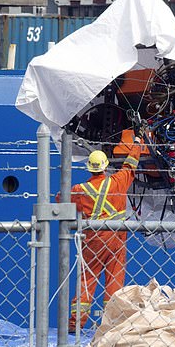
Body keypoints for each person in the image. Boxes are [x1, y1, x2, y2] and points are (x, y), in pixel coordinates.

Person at [66, 130, 143, 331]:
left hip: (92, 240)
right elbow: (131, 165)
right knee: (115, 279)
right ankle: (112, 324)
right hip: (117, 238)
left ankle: (75, 325)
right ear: (106, 167)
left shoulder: (79, 190)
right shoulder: (117, 181)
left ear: (90, 169)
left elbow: (61, 201)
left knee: (87, 279)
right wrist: (137, 142)